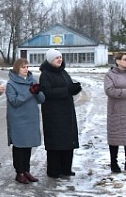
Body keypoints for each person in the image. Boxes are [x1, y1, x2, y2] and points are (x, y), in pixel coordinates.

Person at [39, 49, 81, 179]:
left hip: (67, 112)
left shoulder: (63, 72)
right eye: (56, 58)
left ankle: (66, 168)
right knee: (56, 142)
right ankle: (54, 170)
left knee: (68, 140)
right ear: (50, 60)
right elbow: (47, 92)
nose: (59, 60)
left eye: (60, 57)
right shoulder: (45, 74)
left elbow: (68, 88)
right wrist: (67, 90)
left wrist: (74, 89)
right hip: (53, 113)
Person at [5, 58, 45, 184]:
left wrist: (38, 92)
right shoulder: (11, 84)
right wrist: (29, 93)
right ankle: (19, 172)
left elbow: (41, 100)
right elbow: (14, 101)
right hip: (18, 119)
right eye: (23, 67)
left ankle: (26, 170)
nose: (26, 69)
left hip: (31, 118)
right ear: (17, 68)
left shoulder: (32, 81)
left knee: (28, 145)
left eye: (27, 66)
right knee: (19, 146)